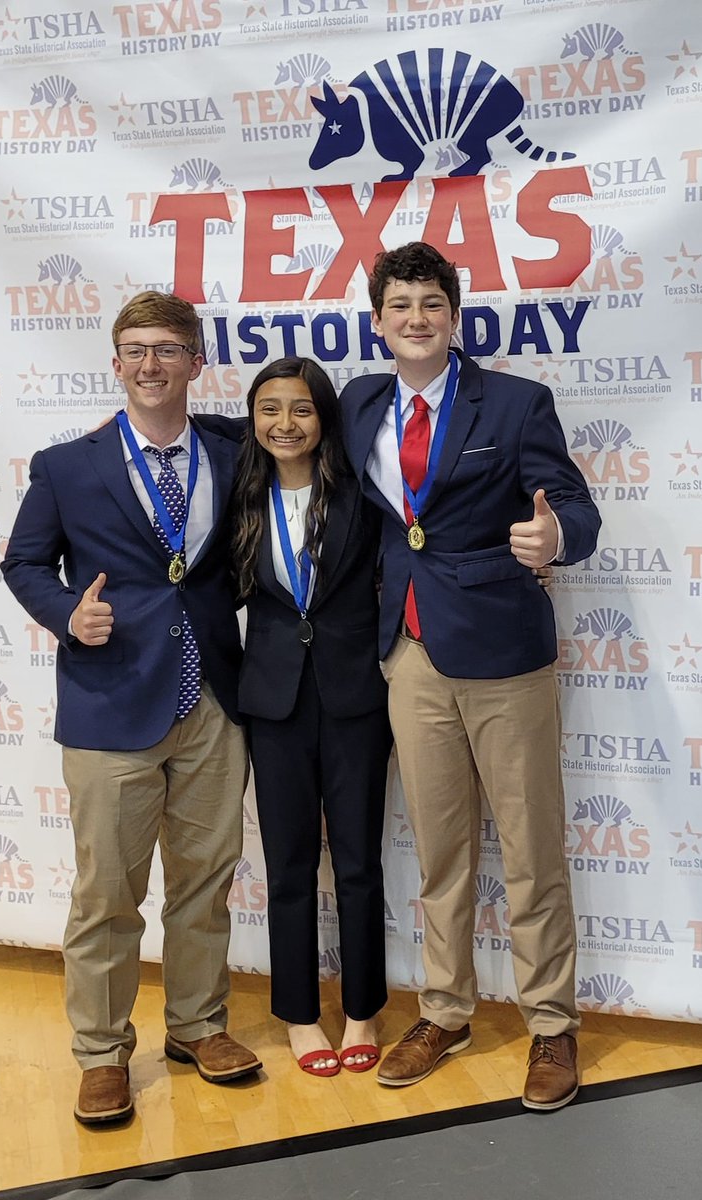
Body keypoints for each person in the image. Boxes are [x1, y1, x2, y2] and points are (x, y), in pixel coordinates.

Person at [339, 242, 601, 1110]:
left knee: (530, 852)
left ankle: (552, 1026)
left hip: (501, 652)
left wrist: (552, 538)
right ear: (377, 321)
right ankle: (445, 1009)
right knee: (440, 851)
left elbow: (573, 506)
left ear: (454, 316)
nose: (415, 318)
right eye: (400, 305)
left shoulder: (518, 402)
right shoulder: (359, 402)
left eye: (431, 303)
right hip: (408, 654)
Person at [1, 291, 261, 1127]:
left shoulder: (232, 444)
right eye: (135, 349)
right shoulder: (65, 466)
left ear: (196, 362)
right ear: (117, 363)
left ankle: (195, 1026)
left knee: (204, 886)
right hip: (110, 703)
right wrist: (67, 614)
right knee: (108, 895)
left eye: (169, 349)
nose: (151, 364)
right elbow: (24, 562)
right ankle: (102, 1054)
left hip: (214, 699)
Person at [230, 357, 392, 1076]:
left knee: (358, 862)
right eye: (269, 409)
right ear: (252, 418)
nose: (283, 424)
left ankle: (363, 1009)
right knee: (288, 864)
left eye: (300, 409)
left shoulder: (361, 494)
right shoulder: (238, 493)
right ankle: (298, 1015)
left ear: (323, 418)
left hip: (356, 696)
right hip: (274, 701)